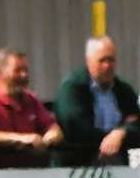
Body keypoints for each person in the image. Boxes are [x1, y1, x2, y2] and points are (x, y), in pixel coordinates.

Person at [0, 47, 63, 170]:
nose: (24, 75)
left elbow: (53, 129)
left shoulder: (31, 99)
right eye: (17, 71)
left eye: (25, 70)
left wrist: (47, 140)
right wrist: (21, 139)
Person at [53, 35, 140, 165]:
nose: (107, 66)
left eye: (111, 60)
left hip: (118, 164)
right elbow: (75, 128)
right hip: (77, 166)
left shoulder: (124, 90)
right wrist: (111, 138)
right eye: (102, 60)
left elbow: (137, 124)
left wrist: (121, 133)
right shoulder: (72, 88)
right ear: (88, 61)